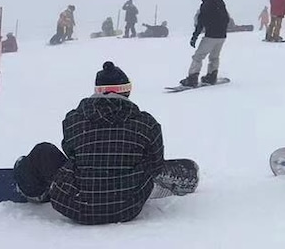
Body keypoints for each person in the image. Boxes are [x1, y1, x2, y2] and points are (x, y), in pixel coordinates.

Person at [13, 61, 198, 224]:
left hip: (76, 206)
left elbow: (70, 154)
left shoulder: (74, 119)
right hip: (128, 207)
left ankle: (35, 189)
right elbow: (156, 164)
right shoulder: (146, 123)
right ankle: (162, 181)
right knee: (157, 164)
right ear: (126, 90)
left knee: (43, 151)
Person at [181, 0, 229, 87]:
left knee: (198, 56)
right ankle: (212, 76)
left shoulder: (207, 4)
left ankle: (192, 78)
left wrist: (195, 36)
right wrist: (222, 29)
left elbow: (201, 22)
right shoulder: (220, 2)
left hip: (211, 35)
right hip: (222, 36)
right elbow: (226, 18)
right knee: (214, 56)